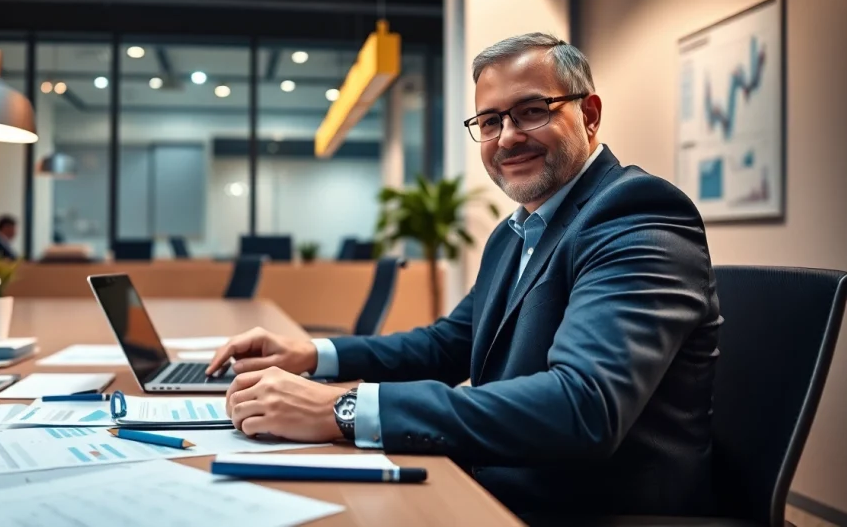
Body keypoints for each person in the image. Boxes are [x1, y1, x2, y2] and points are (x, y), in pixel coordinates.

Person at [206, 33, 721, 519]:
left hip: (590, 509)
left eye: (532, 112)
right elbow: (448, 345)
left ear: (589, 114)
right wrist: (312, 355)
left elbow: (582, 406)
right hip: (497, 484)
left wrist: (343, 408)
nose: (508, 137)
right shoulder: (516, 232)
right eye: (491, 121)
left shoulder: (635, 214)